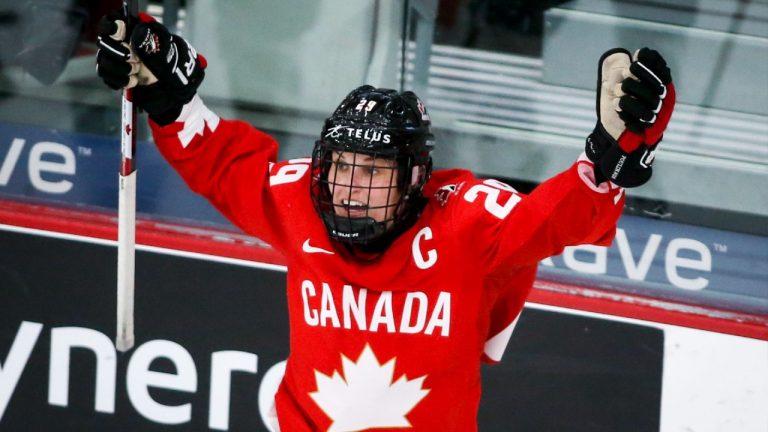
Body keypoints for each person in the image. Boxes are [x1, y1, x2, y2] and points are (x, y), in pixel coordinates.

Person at [96, 11, 674, 432]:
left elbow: (552, 221)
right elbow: (222, 165)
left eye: (372, 171)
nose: (348, 189)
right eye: (341, 166)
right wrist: (171, 101)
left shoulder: (465, 219)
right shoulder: (307, 199)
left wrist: (607, 162)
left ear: (418, 178)